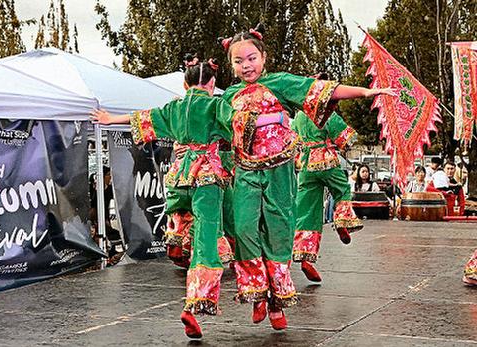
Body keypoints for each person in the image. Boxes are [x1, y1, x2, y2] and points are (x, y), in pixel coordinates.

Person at [91, 55, 282, 339]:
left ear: (185, 83)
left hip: (181, 180)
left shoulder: (175, 107)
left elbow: (143, 118)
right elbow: (241, 125)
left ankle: (181, 244)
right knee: (222, 237)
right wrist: (276, 118)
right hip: (209, 179)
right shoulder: (217, 104)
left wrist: (108, 119)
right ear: (212, 83)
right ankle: (207, 302)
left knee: (196, 225)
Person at [219, 23, 395, 331]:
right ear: (231, 66)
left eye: (251, 58)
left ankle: (276, 301)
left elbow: (320, 90)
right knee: (245, 229)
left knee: (279, 232)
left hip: (280, 173)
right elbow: (203, 124)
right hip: (246, 172)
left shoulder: (280, 84)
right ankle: (257, 290)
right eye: (239, 61)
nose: (246, 65)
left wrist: (365, 91)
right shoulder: (229, 97)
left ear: (263, 57)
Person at [291, 110, 363, 283]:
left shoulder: (299, 116)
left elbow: (292, 142)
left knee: (306, 213)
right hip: (326, 159)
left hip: (306, 166)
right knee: (342, 191)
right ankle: (341, 222)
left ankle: (305, 258)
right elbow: (345, 138)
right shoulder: (324, 111)